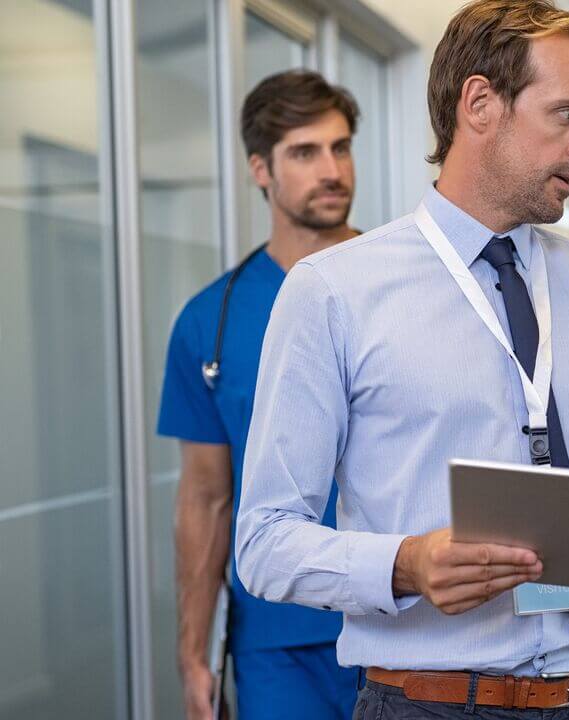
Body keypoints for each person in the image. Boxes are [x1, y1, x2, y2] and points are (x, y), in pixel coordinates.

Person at [234, 2, 569, 718]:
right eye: (566, 114)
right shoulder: (334, 293)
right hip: (435, 703)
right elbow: (264, 540)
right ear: (480, 104)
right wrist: (405, 564)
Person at [157, 69, 362, 720]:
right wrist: (193, 652)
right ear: (260, 170)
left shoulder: (406, 286)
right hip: (276, 643)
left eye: (340, 147)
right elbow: (206, 498)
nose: (331, 170)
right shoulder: (210, 322)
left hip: (409, 621)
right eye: (304, 152)